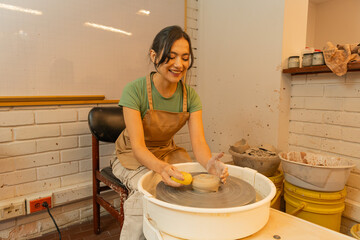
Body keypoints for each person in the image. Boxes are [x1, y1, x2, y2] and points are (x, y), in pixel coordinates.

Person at [110, 25, 229, 240]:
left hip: (166, 151)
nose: (178, 64)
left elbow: (199, 144)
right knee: (147, 190)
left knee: (191, 182)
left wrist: (209, 163)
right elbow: (138, 147)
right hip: (130, 155)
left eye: (185, 58)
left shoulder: (190, 96)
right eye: (171, 56)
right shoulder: (134, 90)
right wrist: (161, 168)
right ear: (154, 56)